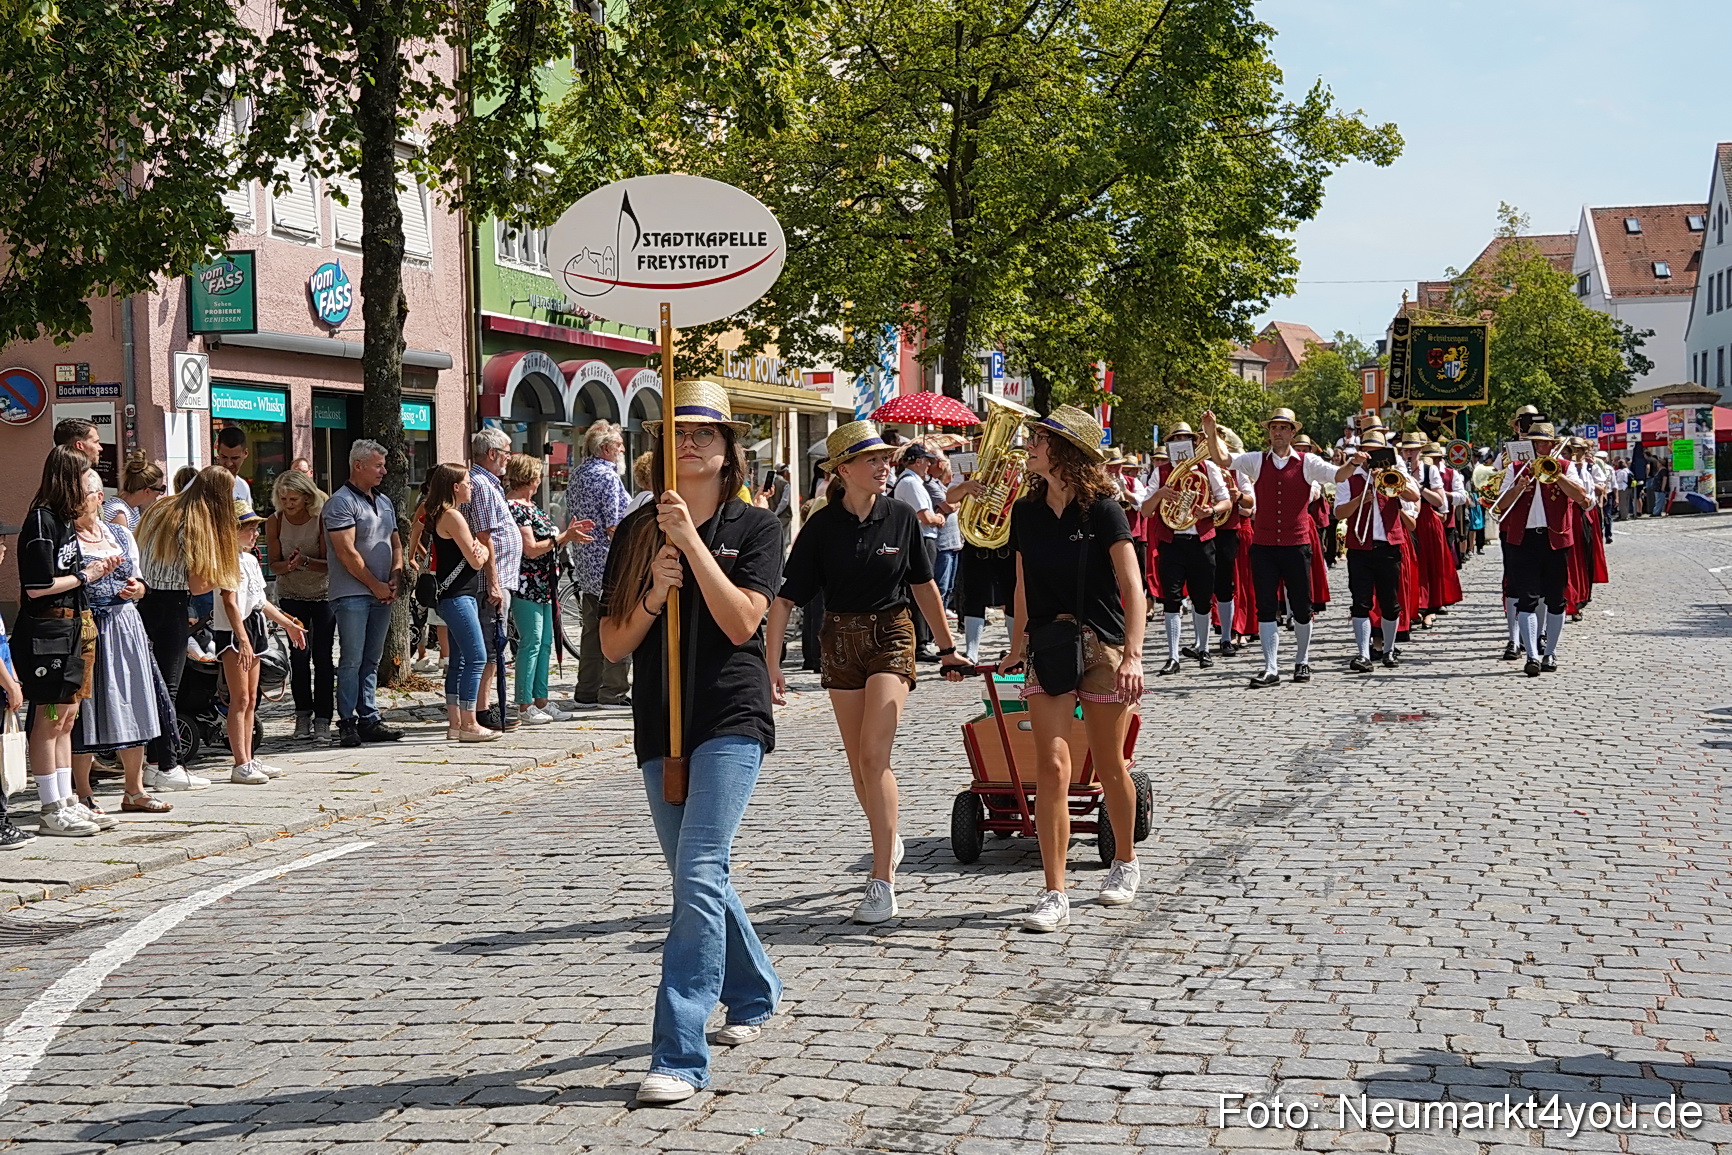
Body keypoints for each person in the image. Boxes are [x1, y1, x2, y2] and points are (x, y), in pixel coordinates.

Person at [597, 380, 785, 1106]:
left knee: (702, 866)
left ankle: (679, 1052)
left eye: (705, 432)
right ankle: (755, 986)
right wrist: (651, 590)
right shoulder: (634, 529)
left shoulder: (757, 527)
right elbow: (614, 641)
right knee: (694, 874)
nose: (690, 443)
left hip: (732, 714)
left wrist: (694, 548)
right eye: (677, 432)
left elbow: (743, 622)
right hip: (660, 720)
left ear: (730, 450)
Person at [766, 421, 968, 926]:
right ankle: (889, 833)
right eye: (872, 459)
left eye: (885, 458)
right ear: (843, 470)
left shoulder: (899, 515)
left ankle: (882, 882)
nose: (883, 466)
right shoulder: (820, 525)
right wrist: (771, 662)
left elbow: (924, 586)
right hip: (839, 640)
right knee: (859, 762)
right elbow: (786, 598)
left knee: (875, 754)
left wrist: (947, 649)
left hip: (892, 635)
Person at [1000, 405, 1146, 932]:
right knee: (1053, 768)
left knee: (1110, 766)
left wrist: (1132, 654)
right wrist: (1017, 644)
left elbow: (1133, 587)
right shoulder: (1026, 512)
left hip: (1102, 644)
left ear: (1066, 451)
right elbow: (1020, 585)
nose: (1030, 445)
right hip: (1048, 642)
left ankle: (1125, 861)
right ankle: (1054, 890)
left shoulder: (1104, 509)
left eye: (1040, 439)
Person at [1202, 408, 1354, 687]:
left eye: (1284, 428)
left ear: (1293, 433)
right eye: (1274, 428)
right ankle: (1270, 666)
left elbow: (1340, 475)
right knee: (1266, 606)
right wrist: (1211, 432)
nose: (1278, 433)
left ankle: (1302, 660)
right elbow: (1221, 458)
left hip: (1297, 544)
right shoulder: (1257, 461)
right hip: (1264, 545)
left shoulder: (1307, 462)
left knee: (1301, 606)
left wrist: (1354, 462)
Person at [17, 450, 118, 836]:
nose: (90, 489)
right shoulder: (42, 521)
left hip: (72, 625)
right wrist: (86, 575)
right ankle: (50, 806)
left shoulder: (62, 520)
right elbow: (38, 586)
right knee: (50, 718)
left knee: (67, 716)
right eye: (84, 480)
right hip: (48, 629)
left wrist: (88, 575)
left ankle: (67, 799)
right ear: (67, 480)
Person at [135, 466, 244, 793]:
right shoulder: (198, 521)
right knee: (168, 688)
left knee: (150, 686)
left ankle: (153, 763)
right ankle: (165, 765)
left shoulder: (161, 507)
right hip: (172, 605)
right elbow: (198, 586)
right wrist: (225, 573)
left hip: (143, 600)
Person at [69, 487, 172, 819]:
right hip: (87, 626)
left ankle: (134, 790)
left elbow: (141, 580)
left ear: (99, 497)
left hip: (124, 624)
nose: (75, 499)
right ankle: (83, 793)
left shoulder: (120, 532)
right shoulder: (68, 537)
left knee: (132, 700)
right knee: (87, 707)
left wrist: (138, 588)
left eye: (82, 492)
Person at [1488, 420, 1590, 675]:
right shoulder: (1516, 468)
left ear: (1551, 446)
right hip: (1523, 540)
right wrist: (1518, 487)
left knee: (1556, 600)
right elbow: (1500, 505)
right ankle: (1532, 655)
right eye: (1533, 444)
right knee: (1527, 599)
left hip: (1555, 540)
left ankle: (1550, 653)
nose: (1538, 448)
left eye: (1542, 443)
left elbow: (1582, 498)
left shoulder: (1565, 467)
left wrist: (1558, 475)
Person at [216, 502, 307, 782]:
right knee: (239, 698)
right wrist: (241, 638)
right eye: (249, 529)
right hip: (235, 630)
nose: (255, 534)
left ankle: (250, 758)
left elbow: (261, 600)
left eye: (256, 528)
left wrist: (288, 623)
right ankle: (240, 762)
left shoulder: (251, 560)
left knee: (252, 698)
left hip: (253, 626)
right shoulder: (227, 559)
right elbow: (230, 602)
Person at [323, 439, 404, 748]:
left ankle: (369, 715)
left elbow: (395, 542)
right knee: (351, 659)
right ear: (358, 466)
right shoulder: (341, 502)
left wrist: (394, 577)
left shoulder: (384, 501)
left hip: (383, 591)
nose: (383, 471)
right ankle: (346, 721)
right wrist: (375, 584)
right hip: (353, 593)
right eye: (378, 466)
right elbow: (347, 553)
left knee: (372, 658)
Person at [504, 453, 594, 725]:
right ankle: (524, 704)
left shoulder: (532, 506)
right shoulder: (516, 507)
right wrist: (564, 536)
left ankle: (540, 699)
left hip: (545, 582)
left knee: (544, 643)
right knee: (530, 642)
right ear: (530, 478)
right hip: (526, 582)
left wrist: (565, 537)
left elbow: (548, 543)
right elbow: (530, 549)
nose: (540, 479)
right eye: (538, 474)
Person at [1139, 423, 1229, 676]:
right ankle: (1173, 655)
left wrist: (1210, 510)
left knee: (1202, 597)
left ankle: (1203, 648)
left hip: (1202, 540)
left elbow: (1225, 500)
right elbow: (1145, 511)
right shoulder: (1161, 472)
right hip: (1172, 542)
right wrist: (1159, 494)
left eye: (1185, 438)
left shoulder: (1207, 467)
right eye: (1176, 438)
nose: (1181, 442)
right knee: (1172, 598)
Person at [420, 463, 500, 742]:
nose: (472, 486)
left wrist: (477, 549)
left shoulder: (441, 514)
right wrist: (480, 551)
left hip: (449, 596)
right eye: (467, 482)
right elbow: (476, 559)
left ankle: (455, 723)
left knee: (459, 660)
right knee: (477, 657)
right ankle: (469, 722)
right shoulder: (453, 516)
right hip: (458, 596)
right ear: (455, 487)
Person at [1335, 433, 1420, 672]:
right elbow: (1339, 513)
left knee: (1390, 602)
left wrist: (1390, 480)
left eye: (1376, 452)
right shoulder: (1349, 479)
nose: (1370, 457)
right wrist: (1361, 500)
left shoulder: (1393, 475)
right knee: (1360, 602)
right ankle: (1363, 653)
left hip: (1388, 546)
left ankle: (1389, 650)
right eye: (1366, 452)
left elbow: (1414, 496)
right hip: (1359, 547)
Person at [566, 421, 631, 711]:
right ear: (605, 448)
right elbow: (615, 525)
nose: (622, 450)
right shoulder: (608, 477)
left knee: (591, 628)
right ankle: (613, 691)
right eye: (618, 445)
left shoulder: (578, 474)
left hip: (586, 561)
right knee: (618, 625)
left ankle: (587, 690)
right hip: (609, 562)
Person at [268, 469, 335, 741]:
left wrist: (305, 562)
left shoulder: (320, 519)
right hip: (291, 594)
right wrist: (289, 565)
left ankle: (323, 717)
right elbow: (274, 564)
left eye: (293, 499)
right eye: (283, 499)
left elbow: (330, 562)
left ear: (306, 497)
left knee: (323, 656)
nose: (288, 504)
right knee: (299, 657)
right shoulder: (275, 521)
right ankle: (302, 715)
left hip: (322, 594)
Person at [892, 444, 944, 658]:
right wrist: (939, 518)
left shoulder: (912, 481)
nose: (930, 465)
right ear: (918, 461)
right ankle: (920, 642)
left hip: (920, 538)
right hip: (922, 538)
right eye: (927, 460)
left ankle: (921, 639)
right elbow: (925, 517)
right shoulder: (911, 483)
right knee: (922, 589)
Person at [929, 454, 963, 610]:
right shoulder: (930, 484)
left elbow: (950, 504)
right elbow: (949, 505)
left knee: (949, 586)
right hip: (942, 543)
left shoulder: (939, 484)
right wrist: (956, 503)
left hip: (953, 541)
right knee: (941, 586)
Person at [104, 452, 166, 530]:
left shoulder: (132, 508)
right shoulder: (120, 514)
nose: (159, 494)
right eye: (161, 489)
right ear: (147, 491)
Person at [214, 425, 253, 505]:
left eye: (234, 458)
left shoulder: (243, 487)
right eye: (224, 457)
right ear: (218, 452)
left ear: (245, 454)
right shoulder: (202, 484)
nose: (229, 463)